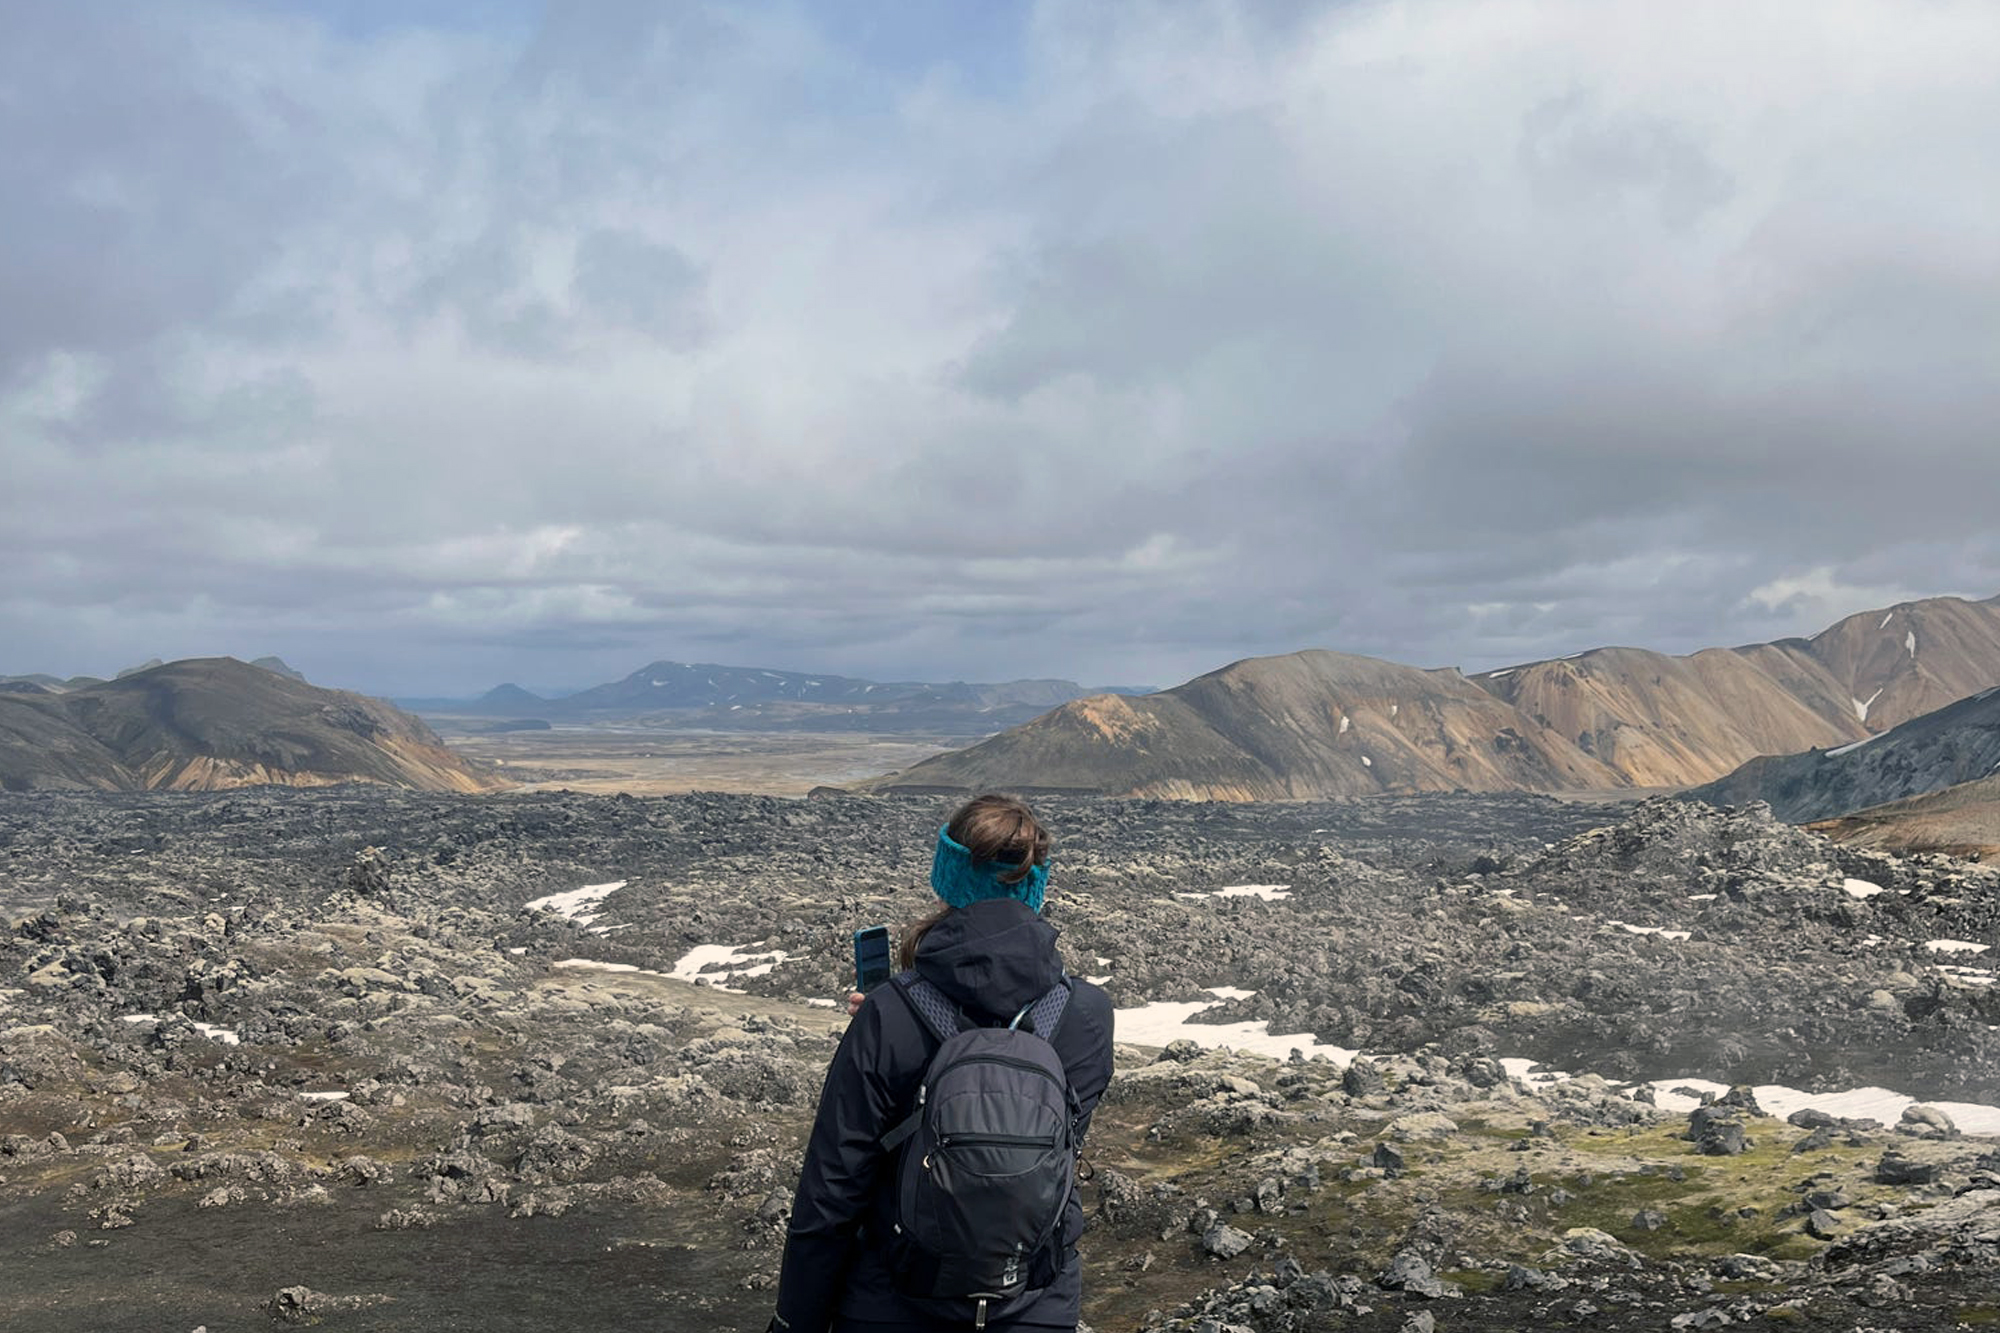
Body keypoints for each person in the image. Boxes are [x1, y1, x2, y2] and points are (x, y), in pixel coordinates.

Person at [768, 794, 1115, 1333]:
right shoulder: (1088, 1014)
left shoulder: (889, 1012)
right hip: (1035, 1304)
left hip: (892, 1303)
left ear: (948, 876)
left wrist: (795, 1321)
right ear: (1036, 885)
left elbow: (832, 1190)